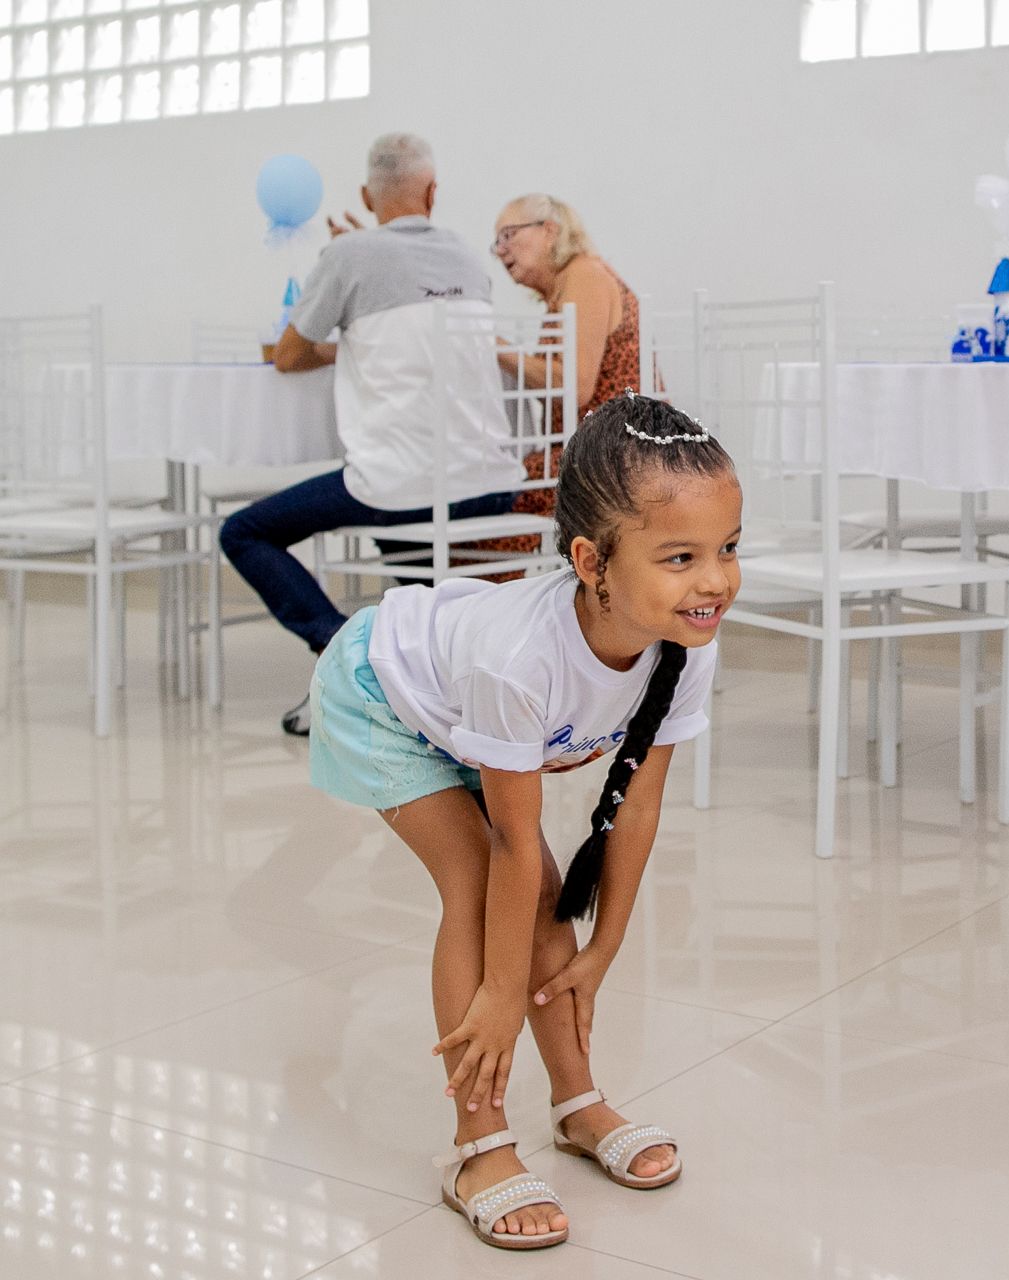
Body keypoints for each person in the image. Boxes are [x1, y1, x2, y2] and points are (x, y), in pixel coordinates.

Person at [305, 394, 738, 1249]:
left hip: (464, 703)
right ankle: (477, 1146)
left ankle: (576, 1105)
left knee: (541, 905)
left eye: (728, 549)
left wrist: (603, 950)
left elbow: (638, 805)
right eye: (681, 556)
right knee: (484, 884)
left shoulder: (689, 637)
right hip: (379, 691)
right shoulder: (520, 660)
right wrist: (502, 996)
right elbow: (509, 843)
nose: (715, 580)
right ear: (591, 561)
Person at [219, 133, 523, 734]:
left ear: (365, 194)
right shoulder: (467, 256)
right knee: (403, 532)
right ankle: (416, 685)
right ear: (433, 191)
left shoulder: (348, 256)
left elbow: (287, 355)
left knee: (245, 531)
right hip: (492, 480)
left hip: (404, 484)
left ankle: (349, 660)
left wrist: (347, 330)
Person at [459, 194, 645, 570]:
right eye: (497, 242)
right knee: (478, 487)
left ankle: (487, 613)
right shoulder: (563, 290)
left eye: (509, 235)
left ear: (550, 231)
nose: (500, 250)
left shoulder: (584, 273)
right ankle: (487, 611)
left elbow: (574, 387)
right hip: (588, 449)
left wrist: (491, 343)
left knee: (484, 493)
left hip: (612, 451)